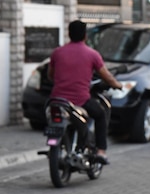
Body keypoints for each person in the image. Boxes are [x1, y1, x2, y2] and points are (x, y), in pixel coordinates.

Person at [48, 20, 122, 164]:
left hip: (57, 100)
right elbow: (106, 76)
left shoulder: (57, 53)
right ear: (85, 36)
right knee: (100, 115)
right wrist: (117, 85)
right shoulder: (92, 54)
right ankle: (101, 151)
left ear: (69, 34)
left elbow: (50, 75)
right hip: (79, 100)